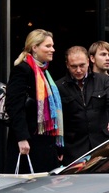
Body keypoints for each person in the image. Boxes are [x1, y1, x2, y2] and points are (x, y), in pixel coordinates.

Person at [5, 29, 64, 174]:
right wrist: (22, 138)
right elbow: (14, 106)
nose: (53, 50)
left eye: (52, 46)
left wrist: (57, 146)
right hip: (29, 143)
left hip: (45, 143)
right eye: (48, 46)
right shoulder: (22, 70)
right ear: (35, 47)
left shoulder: (45, 72)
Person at [57, 46, 109, 165]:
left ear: (88, 61)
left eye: (82, 65)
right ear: (67, 65)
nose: (78, 70)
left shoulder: (102, 80)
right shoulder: (60, 86)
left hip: (101, 145)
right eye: (74, 66)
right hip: (74, 148)